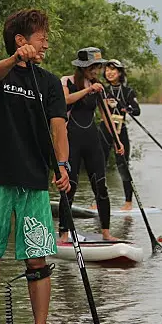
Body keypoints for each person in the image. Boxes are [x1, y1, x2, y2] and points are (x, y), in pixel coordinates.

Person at [0, 9, 70, 324]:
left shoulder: (50, 83)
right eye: (41, 38)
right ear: (21, 40)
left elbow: (58, 128)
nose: (46, 44)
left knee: (37, 260)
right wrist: (14, 59)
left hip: (34, 181)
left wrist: (64, 166)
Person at [58, 47, 120, 243]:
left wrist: (117, 141)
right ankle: (64, 234)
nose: (96, 71)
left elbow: (105, 115)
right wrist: (87, 89)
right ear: (83, 67)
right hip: (72, 140)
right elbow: (64, 101)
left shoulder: (98, 86)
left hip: (92, 140)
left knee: (100, 186)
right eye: (93, 67)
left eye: (98, 67)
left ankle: (106, 233)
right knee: (70, 187)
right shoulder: (66, 81)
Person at [99, 59, 141, 211]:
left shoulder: (128, 91)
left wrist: (127, 109)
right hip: (104, 130)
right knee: (99, 166)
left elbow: (137, 110)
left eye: (113, 70)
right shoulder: (102, 89)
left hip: (120, 131)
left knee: (123, 166)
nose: (109, 73)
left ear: (120, 73)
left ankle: (128, 202)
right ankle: (97, 200)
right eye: (107, 70)